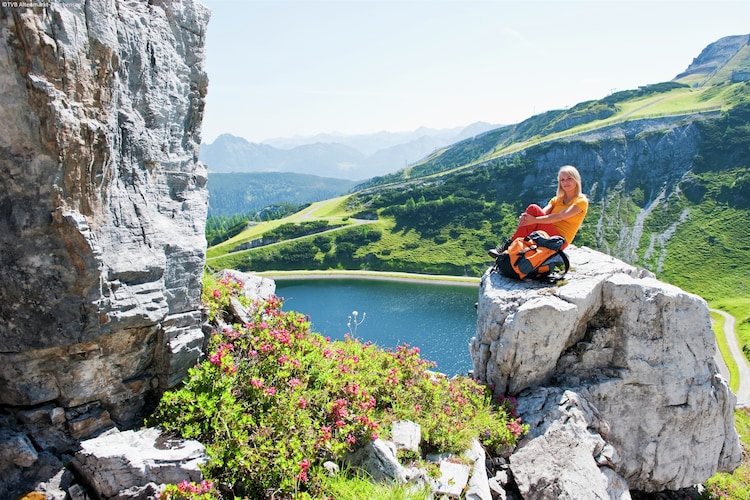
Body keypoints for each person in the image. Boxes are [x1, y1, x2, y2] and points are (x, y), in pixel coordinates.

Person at [489, 165, 588, 258]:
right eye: (562, 180)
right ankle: (512, 248)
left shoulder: (581, 201)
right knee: (532, 210)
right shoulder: (557, 199)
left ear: (576, 180)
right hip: (547, 234)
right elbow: (542, 213)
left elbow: (560, 216)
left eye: (569, 178)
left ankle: (508, 246)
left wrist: (534, 220)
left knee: (533, 210)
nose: (566, 182)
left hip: (559, 240)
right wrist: (527, 219)